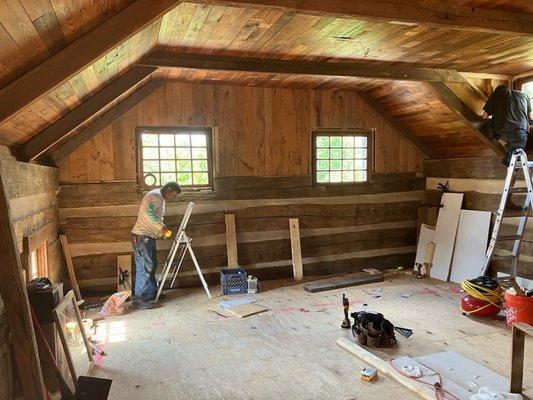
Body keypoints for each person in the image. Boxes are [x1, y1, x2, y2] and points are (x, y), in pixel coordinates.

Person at [131, 182, 181, 309]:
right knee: (145, 267)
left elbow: (157, 217)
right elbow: (148, 214)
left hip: (147, 237)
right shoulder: (156, 196)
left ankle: (151, 293)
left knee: (151, 265)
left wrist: (161, 230)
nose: (173, 197)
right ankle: (140, 298)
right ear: (168, 189)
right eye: (173, 194)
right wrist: (162, 229)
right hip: (142, 237)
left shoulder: (159, 197)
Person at [482, 85, 532, 167]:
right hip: (522, 132)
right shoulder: (524, 95)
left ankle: (505, 144)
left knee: (486, 126)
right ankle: (508, 149)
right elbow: (530, 117)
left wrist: (496, 115)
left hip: (503, 130)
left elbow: (484, 116)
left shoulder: (497, 94)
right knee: (515, 159)